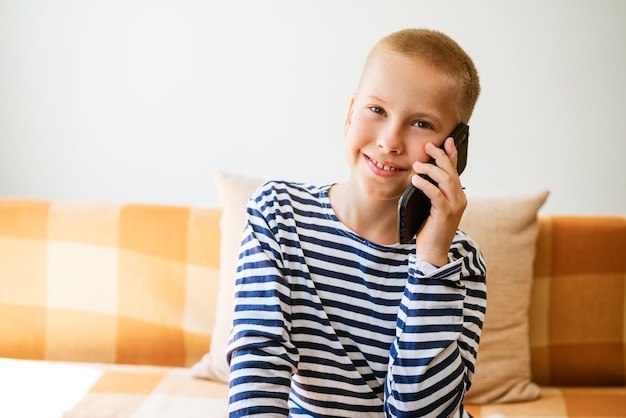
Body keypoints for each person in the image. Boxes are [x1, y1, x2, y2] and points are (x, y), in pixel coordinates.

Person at [226, 28, 487, 418]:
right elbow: (257, 370)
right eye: (377, 110)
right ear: (350, 113)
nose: (389, 141)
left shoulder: (459, 261)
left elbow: (421, 413)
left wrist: (432, 257)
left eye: (421, 124)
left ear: (455, 148)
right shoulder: (278, 215)